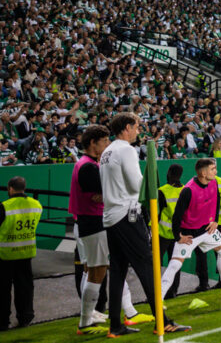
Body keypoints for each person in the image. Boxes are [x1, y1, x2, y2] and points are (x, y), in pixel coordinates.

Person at [99, 112, 189, 337]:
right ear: (127, 127)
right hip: (127, 215)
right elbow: (137, 185)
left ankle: (115, 325)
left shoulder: (106, 152)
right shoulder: (126, 150)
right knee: (147, 267)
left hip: (111, 215)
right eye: (137, 126)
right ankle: (163, 321)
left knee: (118, 270)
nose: (139, 131)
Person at [71, 125, 149, 334]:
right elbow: (101, 191)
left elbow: (101, 192)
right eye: (104, 141)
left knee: (103, 269)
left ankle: (117, 313)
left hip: (91, 223)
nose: (107, 144)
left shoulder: (88, 164)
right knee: (100, 270)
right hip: (93, 223)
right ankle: (87, 320)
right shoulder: (87, 166)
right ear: (92, 143)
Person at [159, 159, 221, 295]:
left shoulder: (214, 183)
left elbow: (217, 200)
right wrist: (178, 236)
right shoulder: (188, 190)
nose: (215, 172)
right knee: (175, 264)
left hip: (207, 230)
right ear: (204, 173)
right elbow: (177, 216)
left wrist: (215, 221)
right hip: (190, 235)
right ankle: (159, 299)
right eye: (213, 169)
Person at [0, 176, 41, 332]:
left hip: (5, 254)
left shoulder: (4, 207)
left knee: (1, 289)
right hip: (26, 252)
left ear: (10, 188)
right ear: (24, 188)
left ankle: (0, 321)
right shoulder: (36, 204)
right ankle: (25, 317)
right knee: (25, 287)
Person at [156, 164, 184, 299]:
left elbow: (156, 213)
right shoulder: (185, 190)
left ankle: (158, 292)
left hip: (162, 234)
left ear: (169, 173)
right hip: (179, 233)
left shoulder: (162, 190)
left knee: (157, 264)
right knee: (175, 264)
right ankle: (173, 291)